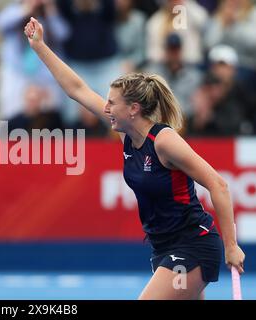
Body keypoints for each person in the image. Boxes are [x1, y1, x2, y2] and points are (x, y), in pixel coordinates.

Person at [24, 17, 245, 299]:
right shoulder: (127, 136)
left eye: (112, 103)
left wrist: (231, 245)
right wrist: (40, 46)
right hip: (163, 247)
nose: (106, 108)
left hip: (192, 245)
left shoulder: (164, 141)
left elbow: (218, 185)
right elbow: (77, 89)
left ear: (133, 109)